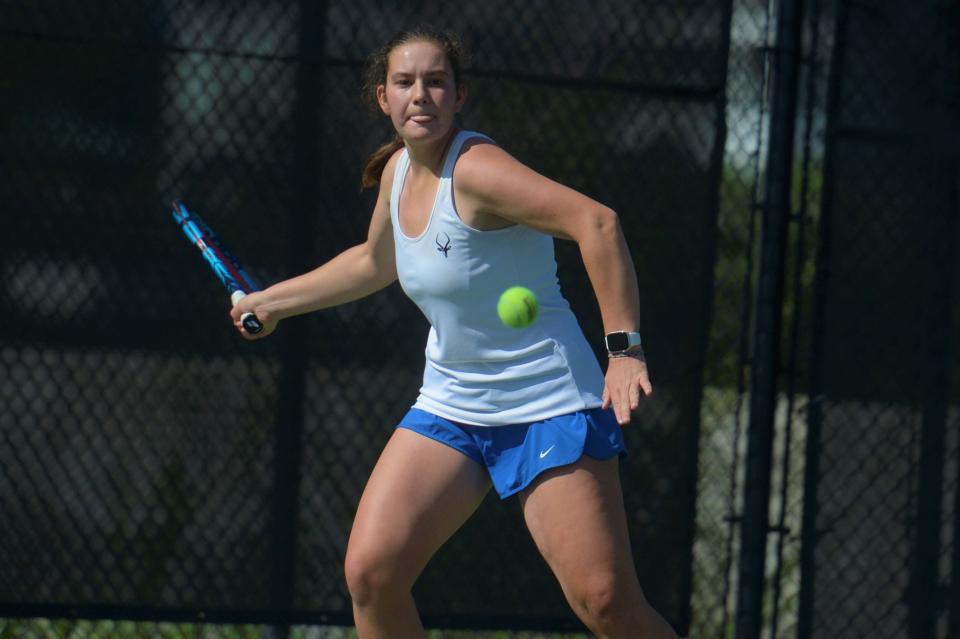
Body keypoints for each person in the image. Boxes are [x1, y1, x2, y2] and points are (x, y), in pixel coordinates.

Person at [230, 26, 678, 639]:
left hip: (548, 402)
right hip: (453, 402)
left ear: (459, 96)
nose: (421, 95)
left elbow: (596, 223)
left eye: (436, 82)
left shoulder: (477, 170)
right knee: (372, 574)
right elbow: (372, 262)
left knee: (606, 604)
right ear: (382, 99)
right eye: (406, 83)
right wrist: (273, 302)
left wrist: (624, 352)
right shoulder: (396, 174)